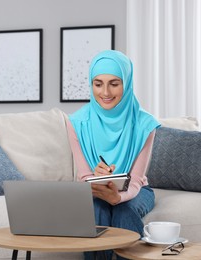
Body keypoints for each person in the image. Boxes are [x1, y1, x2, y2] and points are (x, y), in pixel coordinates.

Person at [66, 50, 160, 260]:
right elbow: (83, 177)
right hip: (95, 191)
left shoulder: (145, 124)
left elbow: (135, 181)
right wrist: (94, 178)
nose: (105, 92)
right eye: (98, 84)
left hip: (136, 190)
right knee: (97, 209)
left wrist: (118, 197)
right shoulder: (76, 122)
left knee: (124, 211)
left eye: (114, 83)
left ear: (126, 83)